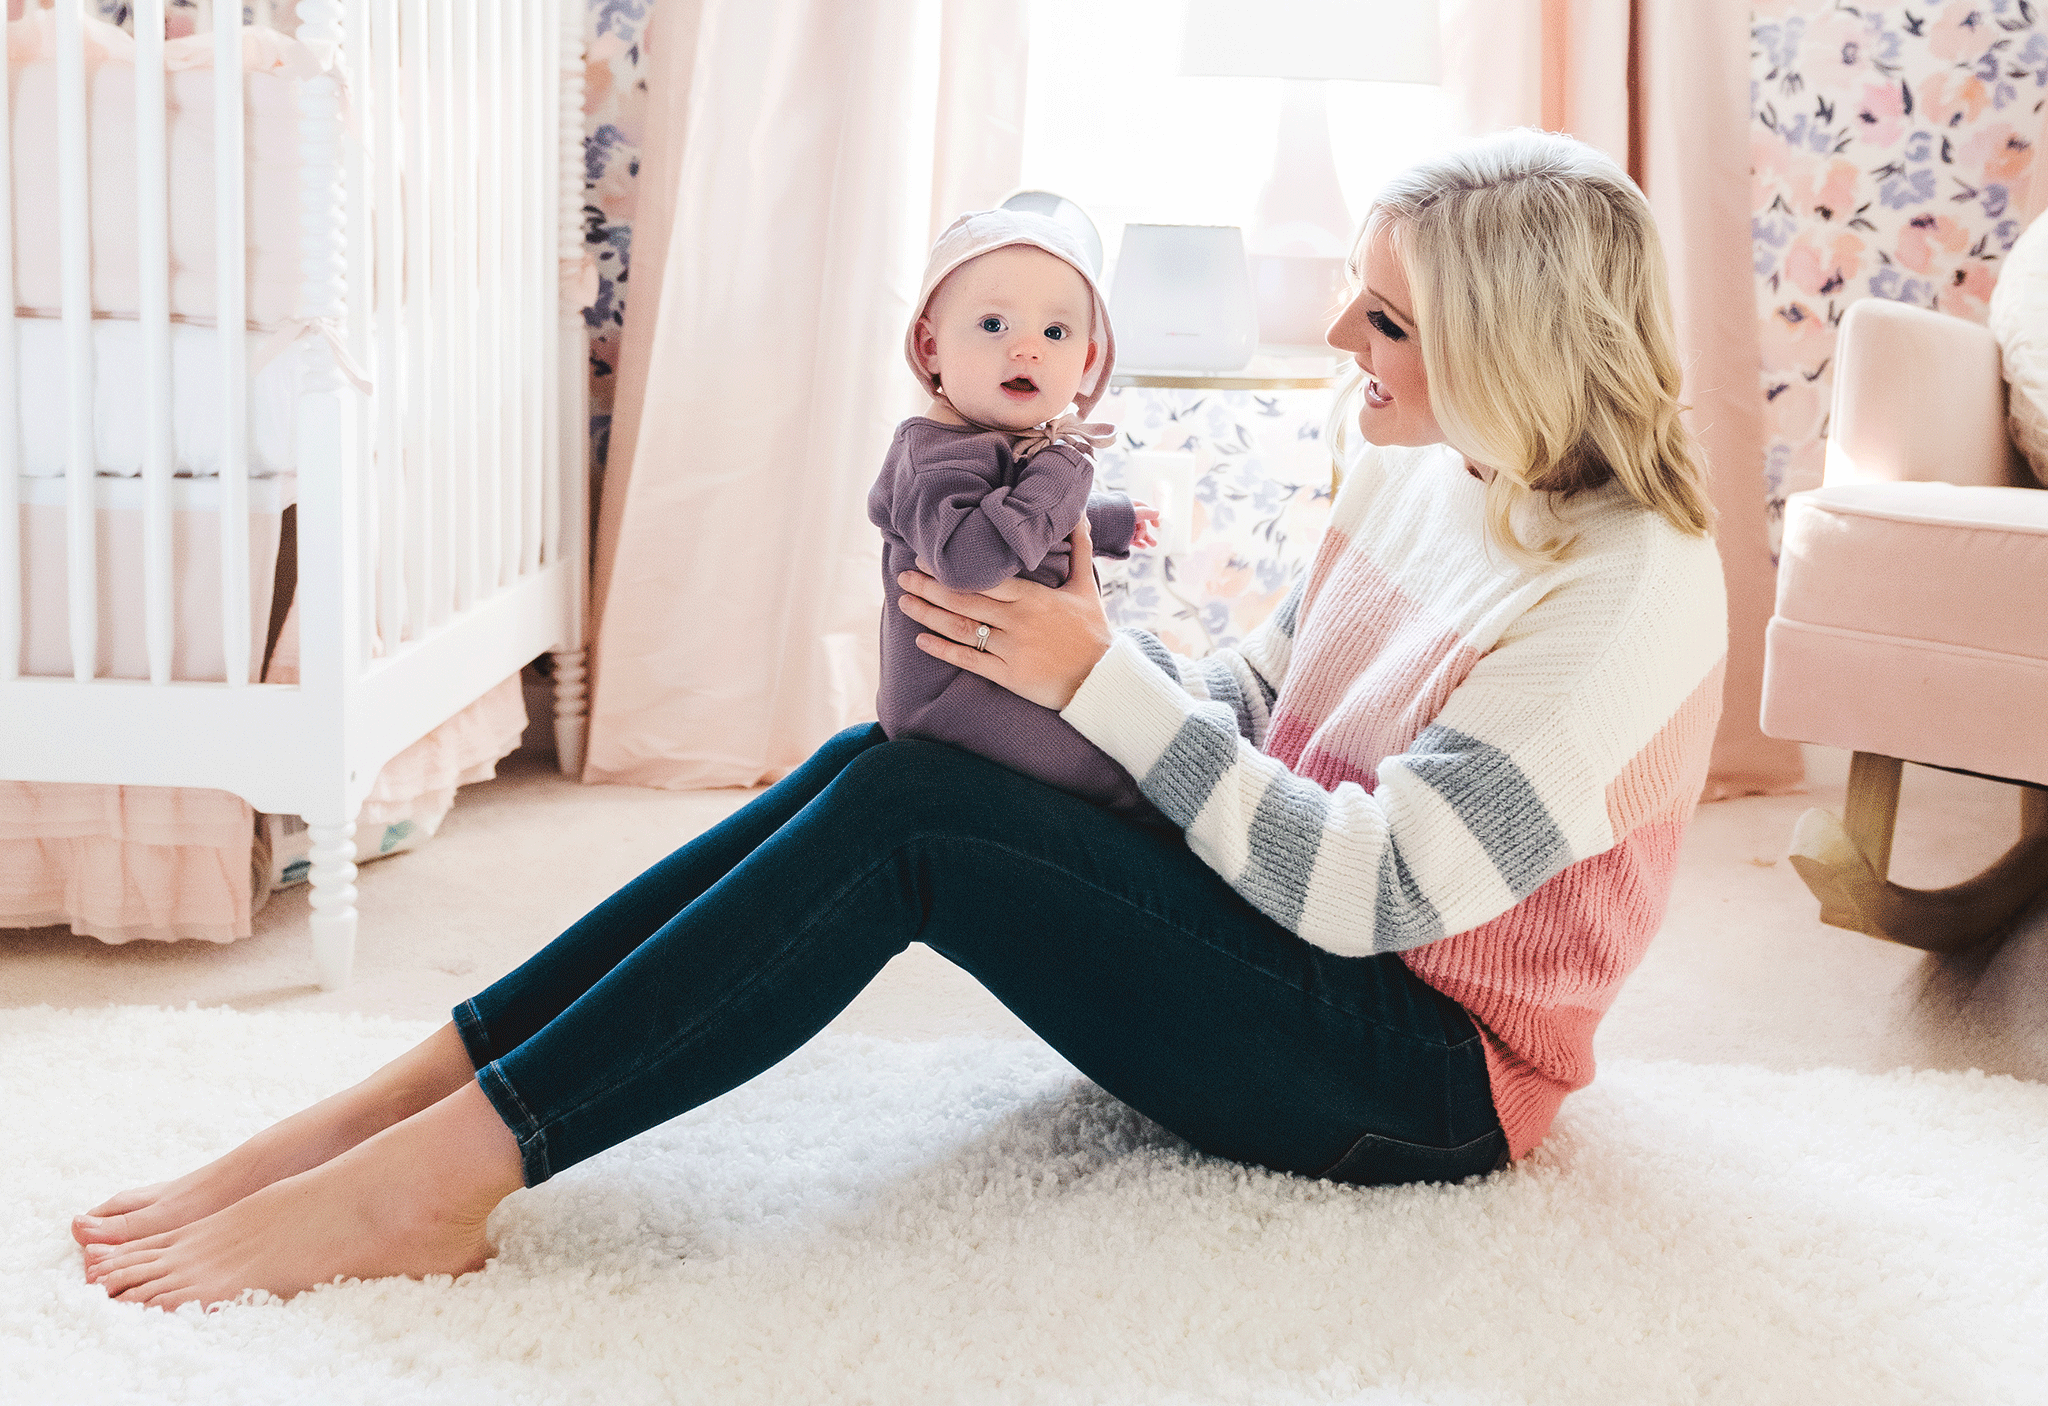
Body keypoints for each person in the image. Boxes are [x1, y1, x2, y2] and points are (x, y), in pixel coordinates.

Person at [74, 130, 1728, 1314]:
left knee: (915, 822)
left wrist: (1093, 681)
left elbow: (1375, 892)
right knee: (889, 762)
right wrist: (1063, 668)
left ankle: (442, 1176)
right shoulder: (1424, 466)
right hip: (1290, 946)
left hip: (1420, 1072)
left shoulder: (1628, 588)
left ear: (1510, 346)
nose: (1336, 336)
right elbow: (1262, 694)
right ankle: (408, 1099)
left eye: (1384, 318)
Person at [869, 210, 1153, 809]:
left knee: (1139, 712)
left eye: (1056, 333)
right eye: (993, 324)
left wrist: (1110, 520)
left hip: (999, 672)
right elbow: (973, 557)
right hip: (957, 698)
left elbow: (1029, 519)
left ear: (1086, 360)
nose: (1027, 348)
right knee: (1126, 776)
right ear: (931, 345)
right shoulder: (933, 455)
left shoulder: (1004, 441)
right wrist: (1067, 469)